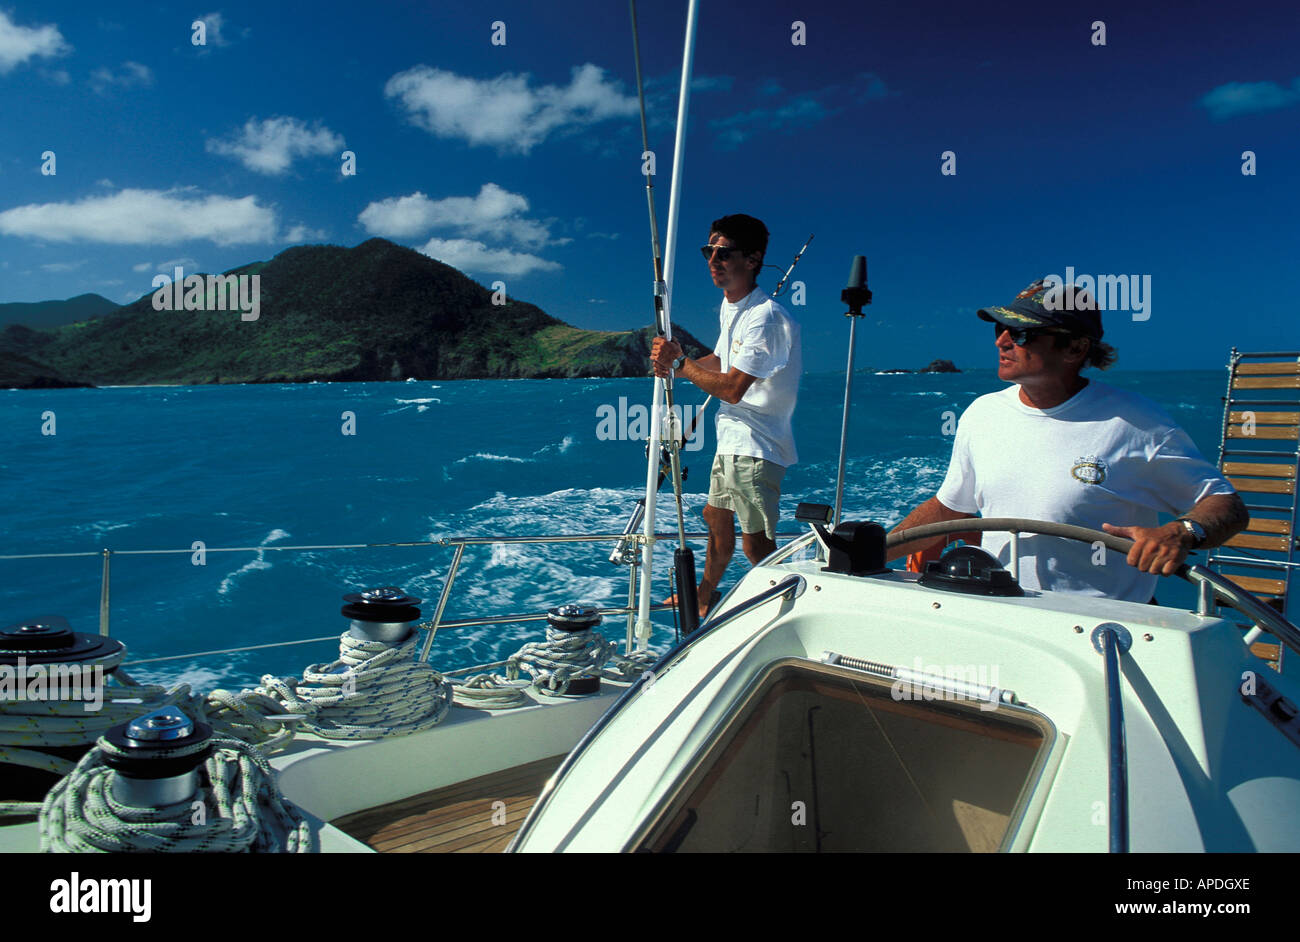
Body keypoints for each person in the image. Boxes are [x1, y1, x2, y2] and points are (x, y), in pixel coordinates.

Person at [889, 278, 1248, 602]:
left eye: (1023, 333)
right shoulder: (981, 414)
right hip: (1003, 614)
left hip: (1104, 629)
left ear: (1075, 348)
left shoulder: (1137, 424)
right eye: (1001, 328)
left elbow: (1227, 506)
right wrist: (872, 551)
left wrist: (1181, 532)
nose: (1002, 341)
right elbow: (950, 507)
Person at [651, 214, 802, 618]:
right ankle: (704, 595)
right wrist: (674, 365)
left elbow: (734, 387)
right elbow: (721, 359)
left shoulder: (765, 318)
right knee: (715, 518)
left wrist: (680, 362)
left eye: (724, 253)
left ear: (753, 260)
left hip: (757, 445)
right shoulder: (733, 307)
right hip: (733, 439)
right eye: (709, 251)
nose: (713, 260)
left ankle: (790, 608)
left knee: (757, 543)